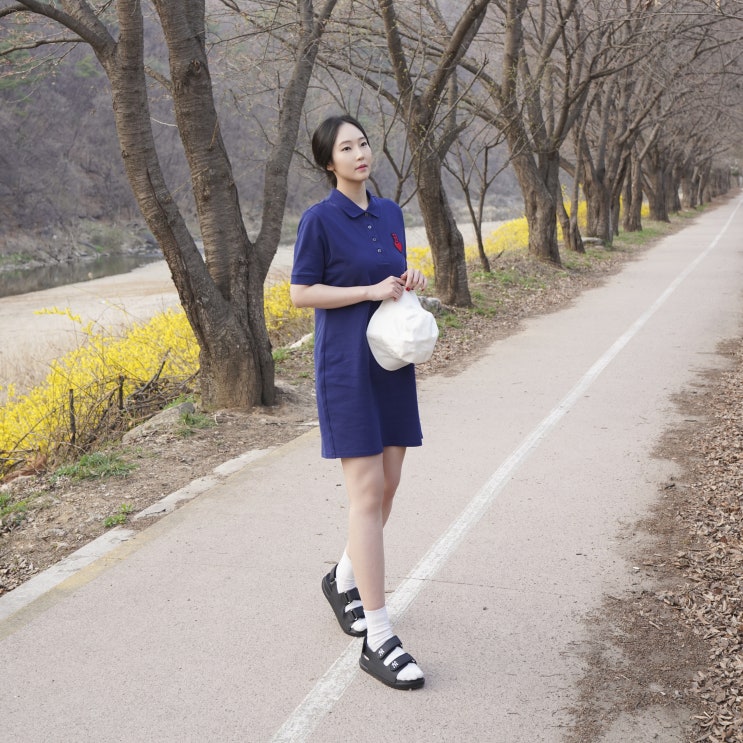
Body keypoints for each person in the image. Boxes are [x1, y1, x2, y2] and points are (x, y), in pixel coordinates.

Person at [290, 114, 426, 691]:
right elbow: (301, 292)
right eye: (346, 148)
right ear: (329, 162)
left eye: (363, 143)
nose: (359, 154)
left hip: (390, 364)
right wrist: (368, 290)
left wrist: (407, 278)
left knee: (388, 486)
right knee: (367, 494)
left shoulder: (390, 212)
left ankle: (342, 577)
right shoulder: (319, 220)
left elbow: (390, 274)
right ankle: (379, 635)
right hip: (346, 368)